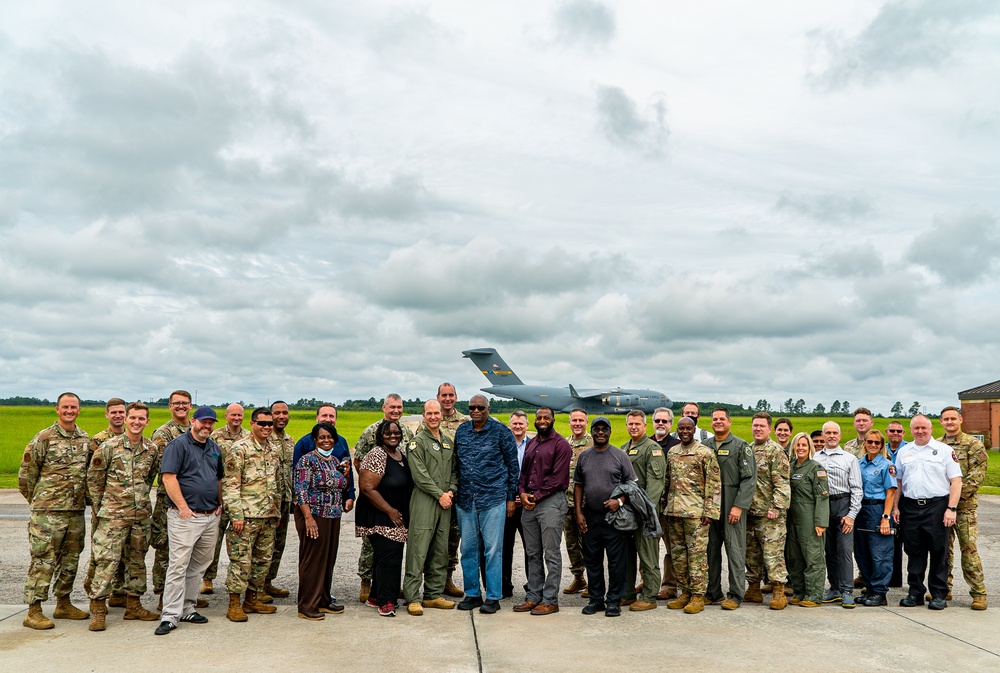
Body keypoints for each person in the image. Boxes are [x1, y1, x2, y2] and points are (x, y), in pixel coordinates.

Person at [18, 392, 91, 629]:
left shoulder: (84, 439)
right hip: (47, 513)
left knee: (70, 560)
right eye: (65, 407)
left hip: (75, 511)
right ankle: (33, 610)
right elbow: (26, 476)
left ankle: (63, 603)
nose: (70, 411)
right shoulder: (44, 438)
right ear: (57, 410)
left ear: (79, 410)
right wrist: (40, 502)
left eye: (74, 407)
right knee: (43, 561)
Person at [85, 401, 160, 630]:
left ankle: (133, 605)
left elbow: (149, 478)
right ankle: (98, 608)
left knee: (137, 561)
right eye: (133, 418)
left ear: (147, 422)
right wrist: (102, 508)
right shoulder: (109, 446)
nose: (136, 422)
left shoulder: (151, 449)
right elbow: (94, 480)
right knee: (107, 561)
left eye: (141, 419)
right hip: (113, 516)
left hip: (140, 516)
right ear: (126, 419)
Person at [155, 406, 225, 635]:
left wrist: (220, 503)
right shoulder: (178, 445)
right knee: (178, 565)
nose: (207, 426)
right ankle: (170, 615)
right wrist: (183, 508)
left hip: (210, 515)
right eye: (203, 422)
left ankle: (187, 607)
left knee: (199, 565)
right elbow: (168, 477)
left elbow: (218, 478)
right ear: (193, 421)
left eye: (211, 423)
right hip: (186, 516)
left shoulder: (214, 447)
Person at [454, 395, 519, 614]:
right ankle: (472, 594)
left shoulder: (501, 432)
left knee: (493, 550)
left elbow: (513, 466)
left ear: (488, 409)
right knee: (469, 549)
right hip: (466, 500)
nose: (476, 411)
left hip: (493, 499)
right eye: (472, 407)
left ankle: (493, 596)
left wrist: (511, 497)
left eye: (480, 407)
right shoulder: (462, 432)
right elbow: (456, 464)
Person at [892, 415, 962, 610]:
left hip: (937, 506)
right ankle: (915, 592)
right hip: (910, 506)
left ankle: (939, 593)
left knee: (939, 551)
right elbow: (898, 482)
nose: (920, 431)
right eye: (916, 428)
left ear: (931, 428)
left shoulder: (944, 451)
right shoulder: (904, 452)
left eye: (924, 428)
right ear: (911, 430)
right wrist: (896, 507)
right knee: (914, 550)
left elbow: (956, 481)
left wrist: (951, 508)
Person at [221, 408, 281, 622]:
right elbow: (230, 484)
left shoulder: (273, 450)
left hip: (267, 515)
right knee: (241, 561)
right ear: (253, 423)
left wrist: (276, 510)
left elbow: (276, 482)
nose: (266, 427)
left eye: (269, 424)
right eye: (262, 423)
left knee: (262, 561)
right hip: (245, 517)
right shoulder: (240, 448)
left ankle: (252, 599)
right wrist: (236, 515)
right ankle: (234, 604)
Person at [353, 394, 414, 603]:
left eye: (399, 407)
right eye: (392, 407)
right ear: (384, 407)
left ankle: (377, 594)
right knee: (387, 555)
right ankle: (384, 599)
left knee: (388, 555)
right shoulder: (376, 448)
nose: (393, 435)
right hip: (381, 510)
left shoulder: (405, 434)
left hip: (396, 507)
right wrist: (382, 485)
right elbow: (364, 476)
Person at [574, 417, 636, 617]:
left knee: (616, 562)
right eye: (597, 429)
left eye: (604, 429)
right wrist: (578, 512)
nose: (600, 432)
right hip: (591, 517)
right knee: (592, 560)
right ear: (591, 432)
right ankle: (596, 600)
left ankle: (614, 601)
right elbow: (578, 485)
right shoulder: (584, 456)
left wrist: (619, 501)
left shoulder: (620, 456)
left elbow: (632, 486)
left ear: (610, 432)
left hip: (615, 517)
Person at [514, 407, 572, 616]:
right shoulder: (532, 444)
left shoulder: (561, 445)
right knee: (532, 553)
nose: (542, 420)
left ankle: (550, 600)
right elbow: (523, 473)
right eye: (539, 418)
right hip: (529, 503)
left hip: (550, 502)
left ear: (553, 420)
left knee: (551, 553)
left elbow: (557, 479)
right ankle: (533, 596)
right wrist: (522, 493)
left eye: (546, 417)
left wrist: (535, 496)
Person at [403, 401, 458, 616]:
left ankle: (433, 594)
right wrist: (440, 495)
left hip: (445, 502)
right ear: (423, 416)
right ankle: (413, 597)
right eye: (429, 413)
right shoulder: (417, 443)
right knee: (419, 548)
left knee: (440, 548)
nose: (433, 417)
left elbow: (454, 470)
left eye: (437, 413)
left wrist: (451, 491)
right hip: (425, 501)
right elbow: (419, 476)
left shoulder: (446, 441)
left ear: (441, 416)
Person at [663, 417, 721, 615]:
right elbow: (667, 481)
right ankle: (685, 591)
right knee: (679, 556)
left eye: (688, 428)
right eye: (681, 428)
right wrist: (665, 506)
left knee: (696, 556)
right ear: (677, 430)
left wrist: (710, 512)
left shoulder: (705, 452)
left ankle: (698, 595)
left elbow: (714, 484)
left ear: (694, 429)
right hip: (674, 512)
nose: (685, 431)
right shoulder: (672, 452)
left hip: (696, 514)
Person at [294, 422, 350, 620]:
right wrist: (308, 518)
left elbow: (340, 487)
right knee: (313, 559)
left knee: (328, 558)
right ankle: (307, 604)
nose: (326, 440)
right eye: (322, 437)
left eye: (329, 437)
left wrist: (345, 475)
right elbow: (300, 490)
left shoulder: (335, 460)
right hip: (314, 514)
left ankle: (323, 599)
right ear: (315, 440)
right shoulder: (307, 460)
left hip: (333, 515)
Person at [702, 408, 755, 610]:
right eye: (714, 419)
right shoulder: (705, 446)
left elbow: (749, 479)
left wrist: (739, 506)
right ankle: (713, 591)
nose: (718, 422)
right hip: (711, 503)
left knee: (735, 549)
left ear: (729, 422)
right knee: (711, 549)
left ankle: (735, 594)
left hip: (732, 501)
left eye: (721, 419)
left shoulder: (741, 446)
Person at [938, 406, 988, 610]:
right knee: (943, 551)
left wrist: (954, 501)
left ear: (961, 420)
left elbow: (976, 477)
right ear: (941, 422)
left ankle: (979, 593)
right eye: (945, 419)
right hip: (941, 508)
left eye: (953, 418)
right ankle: (943, 588)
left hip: (964, 508)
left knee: (968, 549)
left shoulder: (973, 445)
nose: (949, 422)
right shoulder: (937, 445)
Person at [83, 398, 127, 606]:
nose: (118, 415)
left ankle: (118, 593)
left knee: (124, 552)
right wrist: (97, 505)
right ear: (107, 415)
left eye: (121, 412)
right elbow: (91, 476)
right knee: (102, 552)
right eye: (114, 412)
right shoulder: (98, 441)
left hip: (126, 508)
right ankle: (93, 590)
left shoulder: (133, 439)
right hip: (105, 508)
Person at [813, 421, 863, 608]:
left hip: (843, 504)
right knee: (828, 550)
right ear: (823, 436)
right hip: (824, 506)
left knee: (844, 550)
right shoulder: (815, 457)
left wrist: (851, 515)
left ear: (840, 436)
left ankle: (846, 590)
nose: (831, 435)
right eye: (828, 433)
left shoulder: (849, 459)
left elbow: (857, 489)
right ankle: (834, 588)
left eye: (835, 432)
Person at [743, 413, 790, 609]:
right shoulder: (748, 449)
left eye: (762, 426)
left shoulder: (775, 451)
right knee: (751, 554)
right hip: (751, 512)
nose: (758, 429)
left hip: (770, 514)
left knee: (773, 555)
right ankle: (753, 588)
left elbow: (782, 484)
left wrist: (776, 507)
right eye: (755, 426)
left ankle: (779, 591)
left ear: (769, 429)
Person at [150, 390, 193, 605]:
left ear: (191, 406)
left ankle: (183, 595)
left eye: (185, 403)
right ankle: (162, 595)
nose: (181, 407)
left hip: (193, 500)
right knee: (166, 547)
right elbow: (162, 468)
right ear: (169, 406)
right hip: (169, 499)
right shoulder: (163, 433)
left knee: (188, 550)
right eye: (176, 403)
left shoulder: (196, 430)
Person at [620, 410, 666, 611]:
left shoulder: (652, 449)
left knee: (648, 556)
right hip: (627, 514)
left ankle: (649, 596)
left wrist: (645, 512)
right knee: (627, 556)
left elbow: (655, 486)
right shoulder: (623, 448)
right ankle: (628, 593)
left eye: (637, 424)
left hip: (644, 514)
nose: (633, 427)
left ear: (645, 426)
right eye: (630, 423)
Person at [203, 403, 248, 595]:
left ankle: (241, 582)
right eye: (233, 415)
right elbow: (210, 461)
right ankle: (207, 578)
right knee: (214, 539)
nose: (236, 418)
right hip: (219, 491)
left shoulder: (248, 436)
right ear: (226, 416)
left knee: (240, 542)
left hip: (241, 494)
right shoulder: (216, 437)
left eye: (239, 415)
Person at [433, 383, 470, 598]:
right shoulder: (431, 420)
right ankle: (432, 581)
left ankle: (447, 578)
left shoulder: (465, 422)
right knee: (432, 535)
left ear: (456, 397)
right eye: (443, 395)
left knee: (453, 537)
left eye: (451, 395)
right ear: (438, 396)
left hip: (457, 488)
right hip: (434, 489)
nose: (447, 399)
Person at [786, 433, 829, 608]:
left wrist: (820, 522)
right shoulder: (790, 467)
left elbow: (823, 497)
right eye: (798, 445)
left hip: (809, 517)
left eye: (804, 445)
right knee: (794, 556)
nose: (801, 448)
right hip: (792, 517)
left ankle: (814, 594)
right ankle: (799, 591)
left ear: (809, 447)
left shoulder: (816, 468)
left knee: (813, 556)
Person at [854, 429, 896, 607]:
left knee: (880, 553)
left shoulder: (886, 465)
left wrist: (885, 517)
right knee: (862, 551)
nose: (872, 445)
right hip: (860, 509)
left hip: (877, 509)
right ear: (865, 443)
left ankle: (880, 592)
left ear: (881, 446)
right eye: (869, 442)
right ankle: (869, 588)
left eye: (876, 443)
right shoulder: (858, 464)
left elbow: (891, 493)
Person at [263, 400, 295, 601]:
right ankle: (255, 586)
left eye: (285, 413)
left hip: (284, 500)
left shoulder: (290, 441)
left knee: (278, 544)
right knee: (263, 545)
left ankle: (268, 582)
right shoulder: (264, 437)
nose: (281, 416)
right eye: (277, 413)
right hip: (265, 502)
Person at [650, 407, 681, 600]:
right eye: (657, 421)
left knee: (671, 548)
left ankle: (669, 586)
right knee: (648, 546)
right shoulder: (646, 444)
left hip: (670, 506)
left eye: (665, 421)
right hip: (650, 506)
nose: (661, 424)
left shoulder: (677, 446)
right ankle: (647, 581)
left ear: (670, 424)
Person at [562, 408, 592, 597]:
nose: (578, 423)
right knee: (571, 543)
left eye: (581, 420)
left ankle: (593, 579)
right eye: (574, 420)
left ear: (586, 422)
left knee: (588, 543)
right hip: (567, 502)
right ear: (570, 422)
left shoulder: (592, 444)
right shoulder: (565, 444)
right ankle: (578, 577)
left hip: (587, 503)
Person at [502, 411, 529, 599]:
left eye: (521, 423)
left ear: (527, 425)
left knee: (531, 548)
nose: (517, 426)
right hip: (507, 503)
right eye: (514, 423)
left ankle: (532, 586)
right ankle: (504, 586)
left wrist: (525, 495)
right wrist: (509, 496)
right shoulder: (503, 444)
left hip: (527, 503)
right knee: (504, 546)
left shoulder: (534, 445)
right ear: (509, 425)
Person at [885, 420, 907, 588]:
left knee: (905, 540)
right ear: (887, 432)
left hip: (905, 499)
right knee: (889, 539)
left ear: (903, 433)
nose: (895, 433)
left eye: (899, 431)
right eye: (892, 430)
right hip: (887, 498)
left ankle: (899, 578)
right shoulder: (880, 448)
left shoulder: (908, 450)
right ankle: (891, 577)